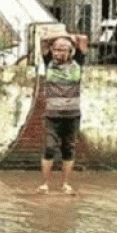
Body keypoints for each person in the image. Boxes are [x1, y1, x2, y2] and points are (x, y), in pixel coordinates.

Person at [38, 34, 87, 195]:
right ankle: (45, 184)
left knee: (69, 150)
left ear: (70, 52)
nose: (57, 53)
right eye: (55, 49)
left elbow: (83, 38)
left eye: (61, 50)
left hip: (72, 115)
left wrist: (70, 38)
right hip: (52, 115)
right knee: (49, 149)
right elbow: (43, 40)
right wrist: (60, 37)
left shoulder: (77, 63)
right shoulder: (48, 63)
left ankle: (65, 184)